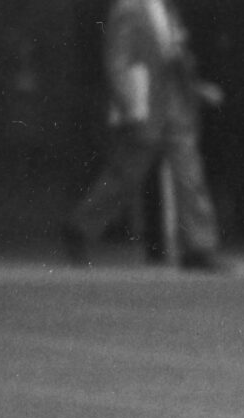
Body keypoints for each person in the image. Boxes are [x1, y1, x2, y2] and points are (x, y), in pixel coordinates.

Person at [62, 0, 227, 272]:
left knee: (189, 173)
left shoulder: (168, 9)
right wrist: (128, 104)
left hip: (173, 100)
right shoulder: (128, 9)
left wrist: (197, 88)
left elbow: (175, 56)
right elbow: (117, 58)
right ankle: (80, 226)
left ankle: (199, 246)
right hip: (145, 103)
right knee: (126, 175)